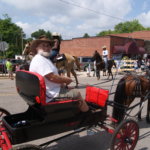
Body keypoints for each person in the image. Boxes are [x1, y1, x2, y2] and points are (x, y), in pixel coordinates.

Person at [29, 36, 89, 112]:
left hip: (50, 91)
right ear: (37, 47)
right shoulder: (40, 60)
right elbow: (51, 77)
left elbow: (50, 78)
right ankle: (87, 113)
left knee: (71, 90)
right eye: (43, 45)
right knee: (77, 94)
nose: (46, 48)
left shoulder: (42, 58)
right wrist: (66, 79)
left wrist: (63, 86)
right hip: (51, 94)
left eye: (48, 46)